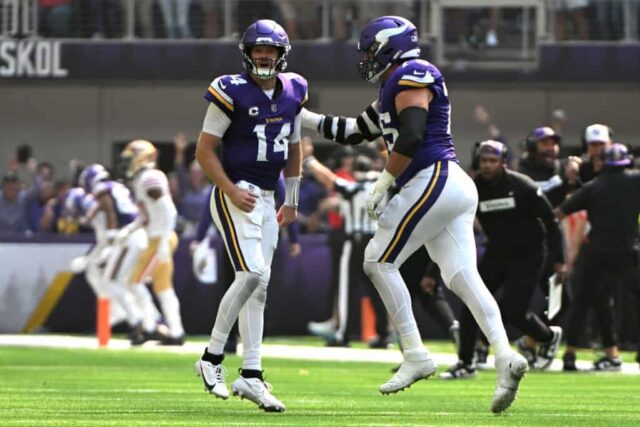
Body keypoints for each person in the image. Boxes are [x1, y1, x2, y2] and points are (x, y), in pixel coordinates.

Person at [306, 16, 527, 413]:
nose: (368, 58)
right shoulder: (394, 84)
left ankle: (415, 352)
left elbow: (411, 136)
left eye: (372, 49)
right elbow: (355, 130)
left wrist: (383, 183)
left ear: (391, 46)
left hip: (433, 175)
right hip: (446, 184)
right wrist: (299, 116)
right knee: (461, 277)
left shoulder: (412, 73)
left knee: (376, 260)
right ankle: (505, 355)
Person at [194, 19, 306, 413]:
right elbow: (205, 150)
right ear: (247, 53)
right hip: (236, 194)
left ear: (281, 54)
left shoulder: (295, 89)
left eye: (270, 51)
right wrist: (229, 188)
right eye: (258, 50)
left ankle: (252, 375)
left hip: (268, 196)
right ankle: (210, 358)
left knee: (260, 287)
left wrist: (290, 198)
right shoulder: (230, 89)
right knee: (252, 274)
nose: (264, 56)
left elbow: (293, 148)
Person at [440, 141, 564, 380]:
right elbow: (452, 223)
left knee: (515, 312)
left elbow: (550, 221)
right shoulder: (472, 189)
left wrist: (558, 259)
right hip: (496, 252)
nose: (487, 165)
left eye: (492, 161)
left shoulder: (523, 186)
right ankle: (466, 363)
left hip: (528, 255)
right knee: (471, 305)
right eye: (484, 161)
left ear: (503, 162)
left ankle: (547, 336)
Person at [556, 143, 640, 371]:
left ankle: (570, 354)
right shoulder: (635, 181)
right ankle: (611, 354)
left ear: (602, 163)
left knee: (582, 302)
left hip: (596, 252)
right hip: (627, 251)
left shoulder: (593, 187)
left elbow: (561, 211)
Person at [120, 139, 186, 345]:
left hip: (160, 238)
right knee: (163, 288)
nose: (126, 164)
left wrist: (165, 239)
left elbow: (168, 208)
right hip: (158, 236)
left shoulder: (149, 177)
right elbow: (148, 214)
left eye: (130, 159)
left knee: (134, 282)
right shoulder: (143, 178)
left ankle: (151, 325)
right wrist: (130, 229)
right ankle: (176, 332)